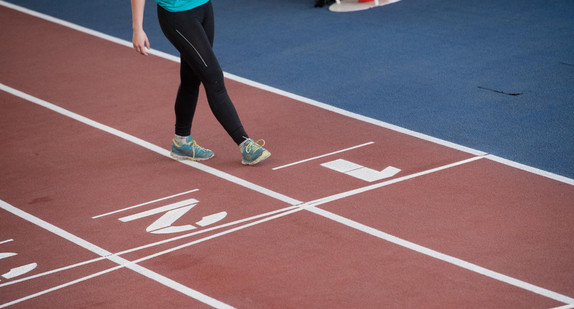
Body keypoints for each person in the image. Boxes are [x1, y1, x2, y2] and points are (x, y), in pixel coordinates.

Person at [131, 0, 270, 165]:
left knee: (192, 76)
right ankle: (245, 144)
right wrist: (137, 28)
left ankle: (181, 143)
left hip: (203, 7)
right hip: (178, 15)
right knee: (213, 77)